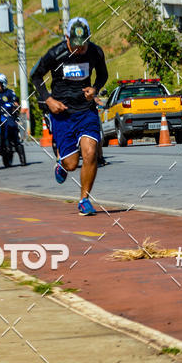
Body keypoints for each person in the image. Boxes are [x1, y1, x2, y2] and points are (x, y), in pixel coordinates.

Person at [31, 16, 108, 216]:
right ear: (67, 38)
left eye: (83, 46)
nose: (79, 50)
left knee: (90, 152)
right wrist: (48, 99)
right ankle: (62, 163)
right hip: (62, 112)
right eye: (75, 45)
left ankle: (84, 200)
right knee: (72, 164)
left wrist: (95, 89)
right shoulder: (55, 54)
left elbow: (103, 75)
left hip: (85, 110)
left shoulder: (95, 52)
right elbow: (35, 75)